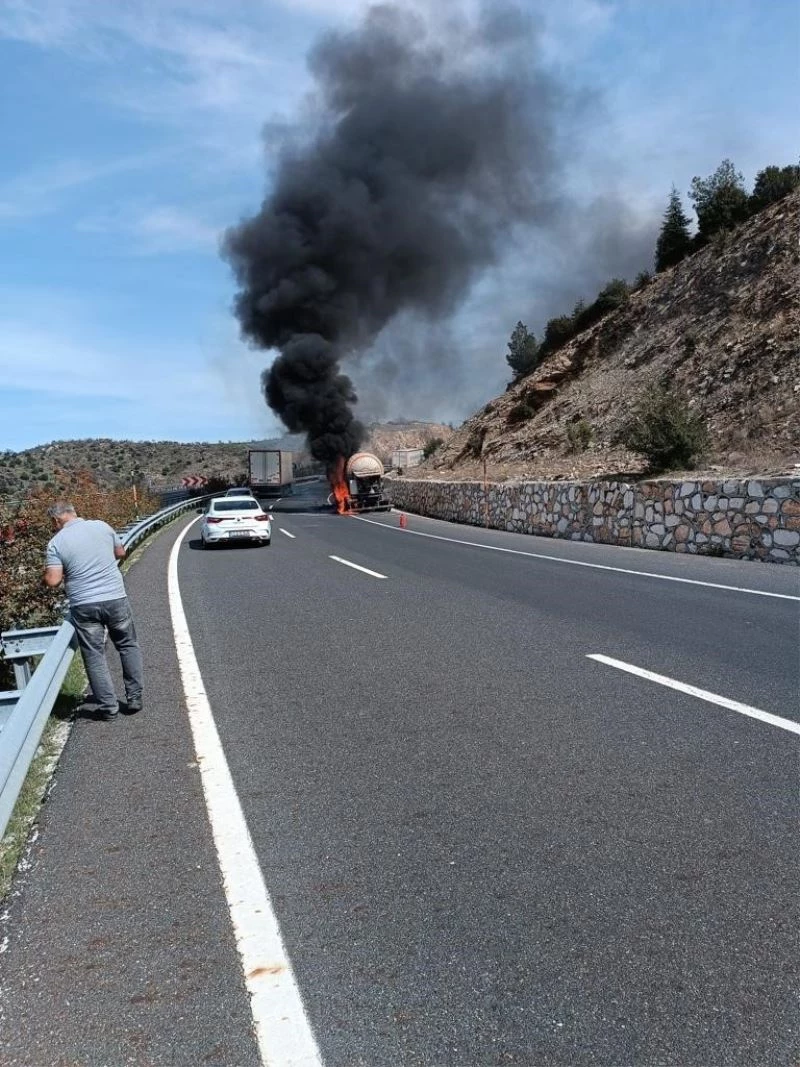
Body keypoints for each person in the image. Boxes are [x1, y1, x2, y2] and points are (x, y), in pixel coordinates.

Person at [43, 502, 143, 720]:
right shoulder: (102, 526)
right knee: (127, 645)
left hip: (84, 604)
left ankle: (109, 708)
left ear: (56, 520)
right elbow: (120, 552)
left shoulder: (56, 542)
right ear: (74, 513)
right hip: (115, 597)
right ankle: (134, 698)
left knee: (94, 655)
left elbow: (53, 580)